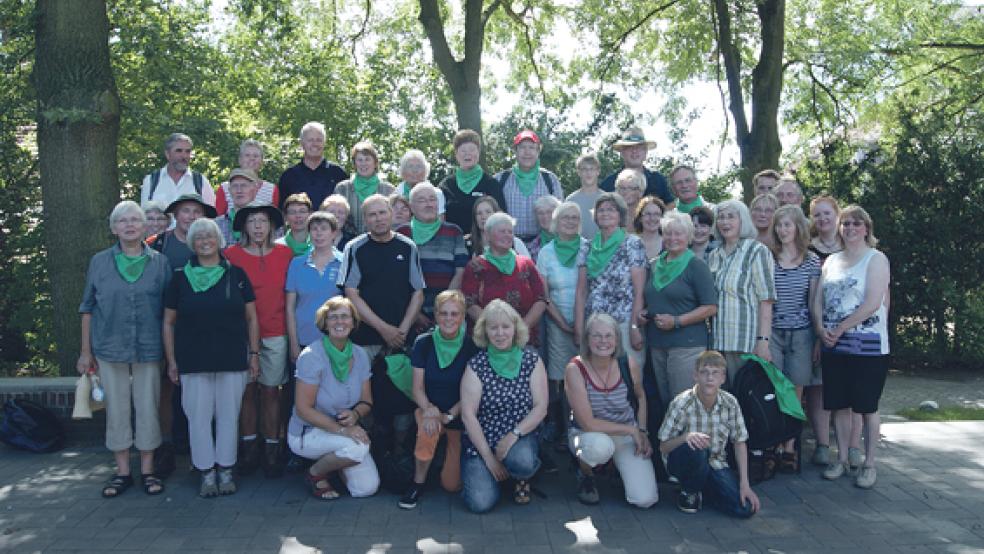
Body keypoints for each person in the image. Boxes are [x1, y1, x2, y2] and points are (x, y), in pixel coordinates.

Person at [78, 201, 171, 498]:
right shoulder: (99, 262)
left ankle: (147, 470)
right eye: (123, 221)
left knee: (148, 408)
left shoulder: (159, 262)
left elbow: (169, 312)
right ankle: (121, 472)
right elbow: (88, 308)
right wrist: (85, 351)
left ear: (145, 226)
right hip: (109, 347)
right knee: (116, 410)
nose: (129, 225)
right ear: (113, 227)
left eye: (135, 220)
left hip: (149, 347)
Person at [162, 218, 260, 497]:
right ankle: (206, 472)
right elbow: (168, 322)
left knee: (229, 416)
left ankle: (226, 468)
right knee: (198, 417)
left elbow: (251, 318)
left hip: (232, 358)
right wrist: (172, 360)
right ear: (193, 243)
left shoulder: (236, 275)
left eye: (210, 237)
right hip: (193, 360)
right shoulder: (180, 278)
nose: (205, 242)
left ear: (219, 240)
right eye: (199, 238)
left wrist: (253, 354)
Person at [815, 206, 890, 489]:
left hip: (867, 346)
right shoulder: (832, 260)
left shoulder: (876, 259)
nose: (850, 228)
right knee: (839, 406)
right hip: (834, 345)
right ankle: (842, 458)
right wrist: (822, 328)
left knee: (867, 406)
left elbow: (873, 302)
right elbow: (819, 298)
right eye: (845, 223)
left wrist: (841, 328)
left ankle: (869, 464)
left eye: (856, 224)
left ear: (866, 228)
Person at [146, 193, 216, 477]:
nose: (191, 216)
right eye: (186, 211)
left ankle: (201, 446)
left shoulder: (211, 245)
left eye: (196, 211)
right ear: (175, 214)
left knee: (203, 390)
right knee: (169, 388)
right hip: (166, 324)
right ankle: (169, 445)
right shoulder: (158, 244)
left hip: (202, 331)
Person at [224, 203, 294, 478]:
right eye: (251, 221)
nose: (257, 226)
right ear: (243, 226)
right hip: (241, 332)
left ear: (271, 226)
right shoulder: (231, 255)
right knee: (246, 392)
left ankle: (272, 447)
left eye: (263, 221)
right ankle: (249, 445)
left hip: (276, 330)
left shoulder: (285, 253)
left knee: (271, 391)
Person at [460, 300, 548, 512]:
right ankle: (497, 476)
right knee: (480, 503)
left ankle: (520, 476)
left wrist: (513, 436)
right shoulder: (476, 365)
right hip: (483, 438)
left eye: (505, 327)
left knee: (523, 461)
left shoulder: (531, 360)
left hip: (520, 434)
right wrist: (489, 459)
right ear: (485, 331)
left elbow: (541, 407)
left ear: (515, 329)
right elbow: (468, 416)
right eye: (494, 327)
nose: (500, 333)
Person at [288, 297, 380, 500]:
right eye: (333, 317)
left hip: (342, 431)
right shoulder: (311, 355)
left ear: (353, 322)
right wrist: (344, 430)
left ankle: (335, 463)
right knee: (359, 447)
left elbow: (367, 401)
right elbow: (303, 409)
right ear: (325, 323)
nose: (340, 322)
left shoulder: (360, 354)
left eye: (345, 317)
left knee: (366, 489)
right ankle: (314, 474)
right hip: (308, 432)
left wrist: (355, 414)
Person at [565, 313, 657, 507]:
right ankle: (585, 473)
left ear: (617, 339)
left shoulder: (627, 363)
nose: (603, 341)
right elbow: (588, 423)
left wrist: (642, 431)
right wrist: (632, 431)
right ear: (587, 339)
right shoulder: (575, 368)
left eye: (609, 336)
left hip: (625, 433)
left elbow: (640, 397)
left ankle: (615, 466)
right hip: (589, 434)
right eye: (596, 336)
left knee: (645, 499)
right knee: (600, 447)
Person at [398, 291, 479, 509]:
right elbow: (417, 388)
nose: (449, 319)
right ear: (435, 315)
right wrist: (430, 410)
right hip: (429, 410)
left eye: (455, 314)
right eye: (443, 313)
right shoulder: (423, 343)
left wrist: (450, 414)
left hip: (458, 414)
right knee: (428, 428)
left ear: (462, 317)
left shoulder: (471, 347)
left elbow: (471, 394)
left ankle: (444, 461)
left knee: (452, 485)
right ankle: (418, 482)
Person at [658, 350, 760, 517]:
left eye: (715, 373)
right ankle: (689, 491)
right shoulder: (682, 402)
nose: (709, 378)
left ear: (723, 378)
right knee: (697, 449)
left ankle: (707, 490)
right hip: (684, 460)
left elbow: (739, 441)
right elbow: (663, 447)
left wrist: (745, 484)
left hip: (716, 463)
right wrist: (686, 437)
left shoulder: (730, 403)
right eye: (704, 373)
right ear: (695, 376)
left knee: (744, 509)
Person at [805, 195, 863, 467]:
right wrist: (819, 333)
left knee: (849, 391)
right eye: (817, 215)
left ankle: (852, 447)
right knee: (818, 388)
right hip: (819, 328)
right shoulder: (808, 250)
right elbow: (813, 296)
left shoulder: (852, 245)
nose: (823, 219)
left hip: (853, 330)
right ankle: (822, 444)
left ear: (837, 215)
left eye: (827, 213)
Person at [642, 212, 717, 403]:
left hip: (686, 344)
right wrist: (645, 312)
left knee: (685, 402)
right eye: (668, 233)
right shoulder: (654, 265)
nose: (672, 238)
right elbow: (650, 299)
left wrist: (676, 321)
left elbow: (710, 307)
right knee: (666, 401)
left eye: (679, 234)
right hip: (657, 343)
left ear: (689, 237)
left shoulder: (696, 266)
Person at [339, 194, 425, 359]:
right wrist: (384, 329)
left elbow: (418, 292)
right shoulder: (354, 248)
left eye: (382, 212)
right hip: (364, 341)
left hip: (402, 340)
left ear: (391, 214)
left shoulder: (408, 246)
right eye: (372, 215)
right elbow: (350, 293)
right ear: (365, 219)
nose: (378, 218)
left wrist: (401, 332)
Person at [770, 205, 821, 470]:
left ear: (798, 227)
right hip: (774, 331)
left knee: (796, 389)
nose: (783, 230)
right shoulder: (769, 257)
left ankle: (790, 444)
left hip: (801, 332)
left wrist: (818, 337)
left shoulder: (811, 260)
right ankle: (775, 442)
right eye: (779, 225)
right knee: (777, 388)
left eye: (787, 225)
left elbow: (814, 303)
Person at [535, 201, 589, 449]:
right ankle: (565, 428)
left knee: (587, 376)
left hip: (588, 324)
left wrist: (578, 326)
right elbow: (543, 294)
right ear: (556, 222)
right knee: (560, 378)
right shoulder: (545, 252)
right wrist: (564, 325)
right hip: (556, 323)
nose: (570, 221)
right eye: (565, 217)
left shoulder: (588, 248)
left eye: (575, 217)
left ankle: (584, 424)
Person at [575, 193, 647, 369]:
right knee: (597, 377)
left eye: (611, 209)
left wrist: (635, 328)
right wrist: (578, 328)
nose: (605, 213)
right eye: (601, 210)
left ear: (620, 215)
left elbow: (639, 291)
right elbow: (581, 291)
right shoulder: (587, 246)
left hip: (624, 323)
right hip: (595, 324)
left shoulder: (632, 243)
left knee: (630, 375)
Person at [707, 200, 776, 380]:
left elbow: (766, 300)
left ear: (743, 220)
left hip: (745, 341)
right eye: (720, 217)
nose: (725, 222)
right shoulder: (714, 255)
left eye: (731, 216)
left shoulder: (756, 251)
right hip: (718, 341)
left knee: (745, 400)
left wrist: (763, 342)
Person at [461, 213, 547, 345]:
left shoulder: (526, 264)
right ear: (488, 235)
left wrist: (520, 329)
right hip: (490, 340)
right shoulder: (475, 267)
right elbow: (469, 303)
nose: (507, 235)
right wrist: (497, 330)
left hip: (524, 339)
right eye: (502, 231)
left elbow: (541, 299)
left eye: (510, 232)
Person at [395, 183, 468, 327]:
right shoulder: (401, 234)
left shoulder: (454, 231)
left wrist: (443, 309)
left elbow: (460, 272)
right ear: (411, 206)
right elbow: (397, 278)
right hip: (410, 315)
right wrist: (416, 314)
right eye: (422, 200)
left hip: (447, 315)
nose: (429, 204)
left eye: (432, 199)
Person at [286, 212, 343, 365]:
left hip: (337, 340)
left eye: (324, 228)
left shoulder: (345, 262)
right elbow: (290, 308)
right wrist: (293, 344)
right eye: (314, 229)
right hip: (304, 338)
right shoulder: (297, 264)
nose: (318, 233)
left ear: (334, 233)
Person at [495, 130, 564, 244]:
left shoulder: (550, 180)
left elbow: (560, 215)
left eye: (532, 147)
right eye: (522, 147)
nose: (527, 152)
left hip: (543, 243)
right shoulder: (501, 179)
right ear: (515, 151)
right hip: (509, 243)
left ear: (538, 151)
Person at [439, 129, 508, 232]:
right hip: (454, 244)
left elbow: (502, 218)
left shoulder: (491, 184)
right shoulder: (446, 185)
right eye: (463, 150)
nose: (468, 154)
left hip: (484, 243)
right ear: (456, 154)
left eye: (472, 149)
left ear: (479, 152)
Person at [278, 122, 348, 211]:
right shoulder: (289, 176)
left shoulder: (338, 174)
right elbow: (282, 211)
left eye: (319, 140)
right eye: (310, 140)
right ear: (302, 143)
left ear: (324, 143)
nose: (315, 144)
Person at [599, 127, 674, 206]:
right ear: (622, 153)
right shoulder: (608, 184)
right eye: (629, 147)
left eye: (639, 147)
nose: (634, 151)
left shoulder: (658, 180)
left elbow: (670, 205)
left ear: (645, 152)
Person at [335, 141, 395, 235]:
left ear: (375, 163)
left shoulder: (388, 190)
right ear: (355, 164)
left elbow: (393, 219)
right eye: (360, 160)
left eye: (367, 159)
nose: (363, 163)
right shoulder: (342, 189)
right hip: (348, 242)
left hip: (381, 240)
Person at [140, 133, 215, 208]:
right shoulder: (151, 181)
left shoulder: (200, 181)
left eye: (187, 151)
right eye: (179, 151)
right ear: (167, 154)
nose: (184, 156)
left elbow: (211, 216)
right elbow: (145, 214)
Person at [215, 139, 279, 216]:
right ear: (240, 160)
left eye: (256, 156)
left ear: (262, 161)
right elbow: (218, 219)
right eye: (247, 155)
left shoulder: (272, 189)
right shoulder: (224, 188)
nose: (252, 158)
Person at [462, 195, 530, 258]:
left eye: (488, 212)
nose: (483, 217)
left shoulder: (514, 242)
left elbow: (528, 267)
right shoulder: (466, 243)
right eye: (479, 213)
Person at [215, 168, 263, 246]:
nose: (239, 191)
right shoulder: (217, 225)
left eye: (244, 186)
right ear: (229, 190)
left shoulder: (270, 224)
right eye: (235, 186)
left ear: (255, 189)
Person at [394, 149, 445, 216]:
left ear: (425, 171)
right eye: (410, 166)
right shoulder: (395, 194)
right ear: (403, 171)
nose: (414, 170)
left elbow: (440, 221)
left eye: (418, 166)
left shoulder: (436, 193)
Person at [566, 152, 602, 240]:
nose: (588, 172)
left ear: (598, 171)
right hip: (578, 248)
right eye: (584, 169)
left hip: (602, 248)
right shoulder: (571, 200)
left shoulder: (606, 199)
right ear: (578, 172)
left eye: (592, 169)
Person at [525, 195, 561, 262]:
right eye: (540, 213)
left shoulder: (571, 240)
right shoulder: (531, 247)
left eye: (549, 212)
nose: (545, 217)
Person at [634, 196, 666, 261]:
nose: (652, 218)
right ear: (640, 218)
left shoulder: (669, 243)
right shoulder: (630, 243)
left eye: (657, 214)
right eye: (647, 214)